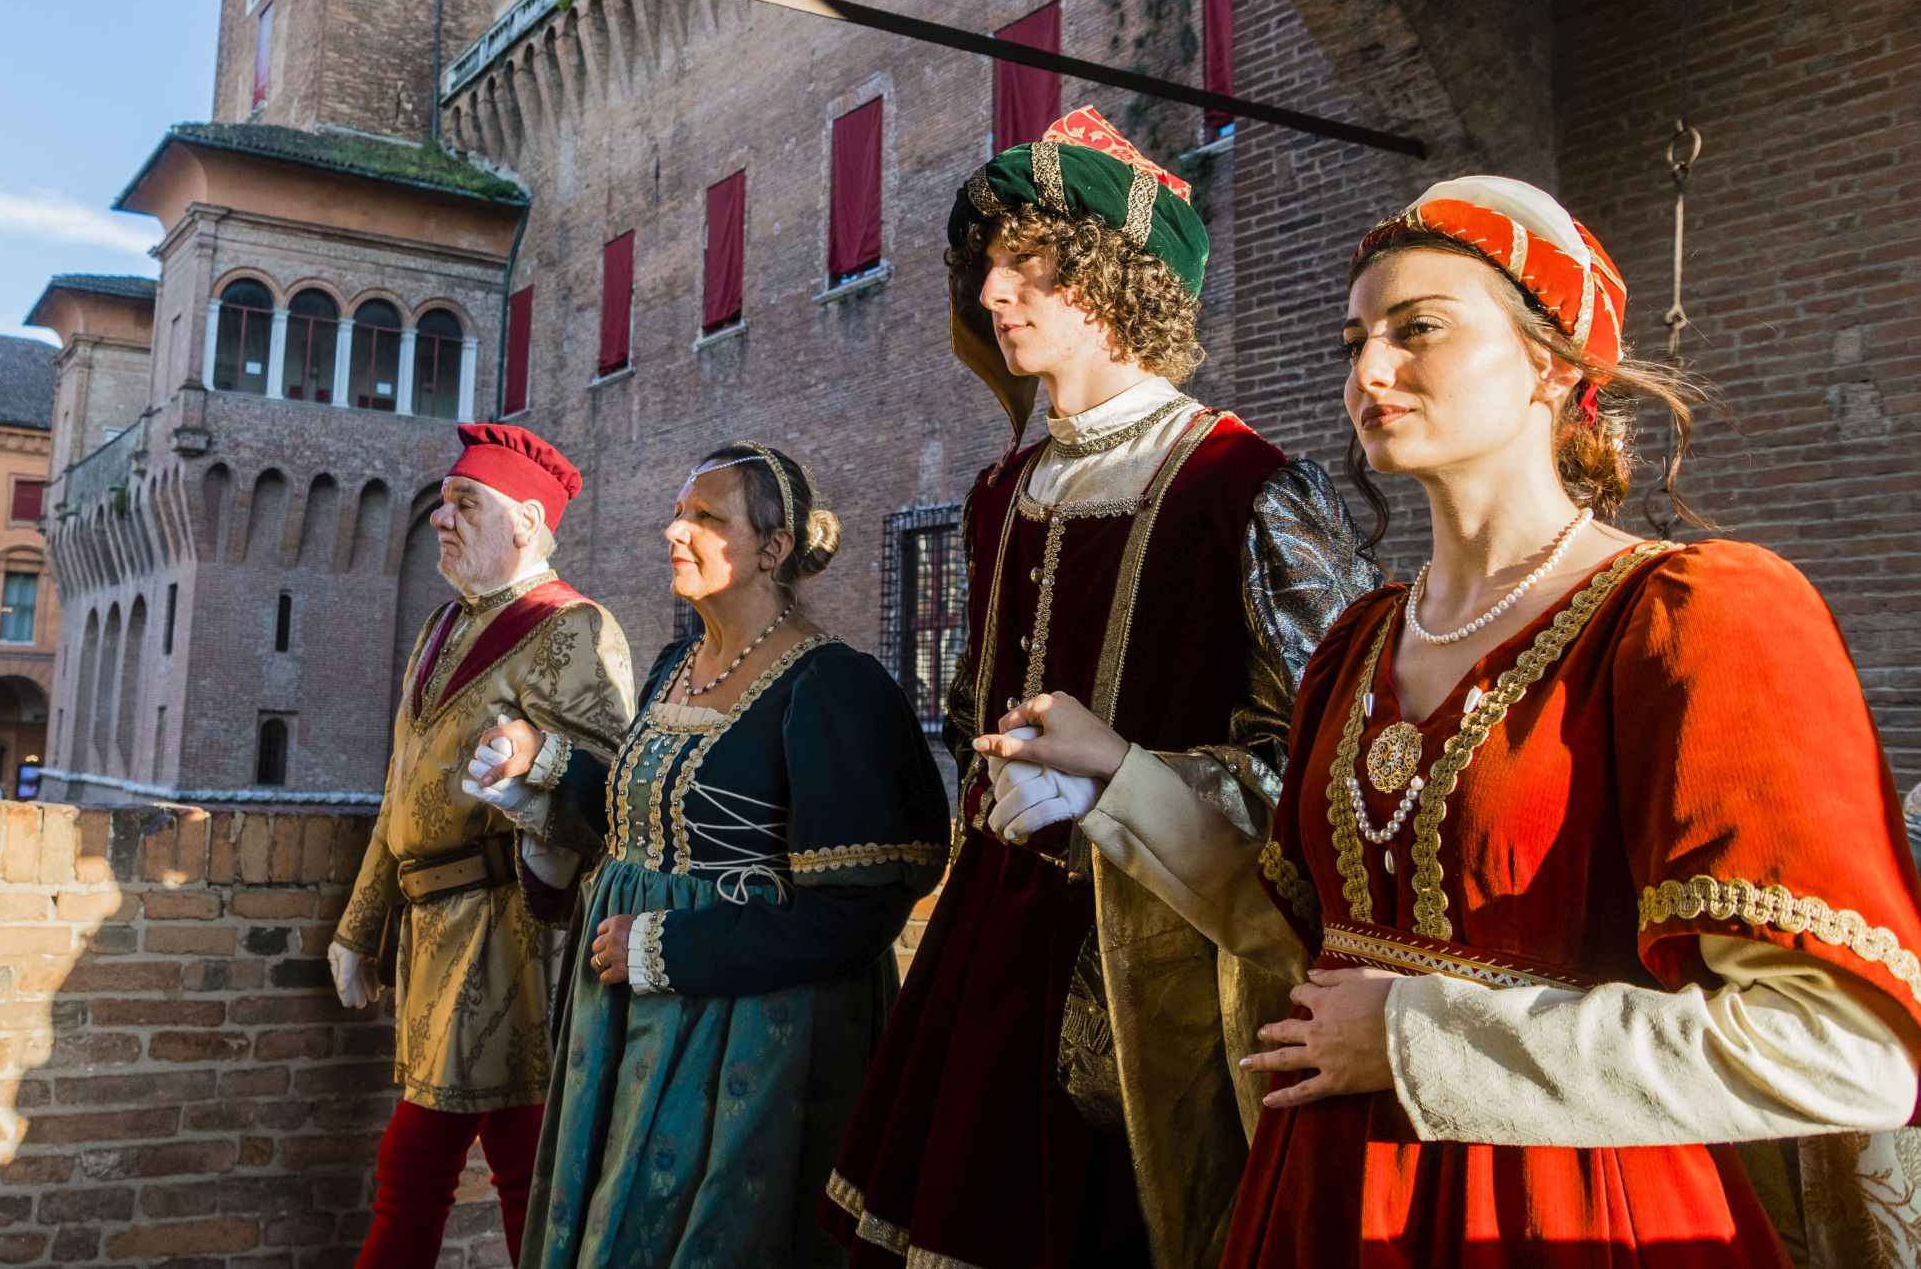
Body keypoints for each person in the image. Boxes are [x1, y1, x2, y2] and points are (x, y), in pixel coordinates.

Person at [987, 175, 1921, 1264]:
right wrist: (1119, 782)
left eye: (1417, 328)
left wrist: (1415, 1034)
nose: (1367, 371)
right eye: (1353, 341)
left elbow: (1845, 1047)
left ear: (1552, 362)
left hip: (1562, 1208)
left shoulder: (1689, 616)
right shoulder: (1358, 641)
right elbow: (1296, 935)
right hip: (1321, 1199)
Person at [822, 104, 1377, 1269]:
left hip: (1160, 969)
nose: (991, 293)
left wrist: (1118, 792)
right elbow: (976, 700)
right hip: (984, 952)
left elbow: (1337, 770)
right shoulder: (998, 492)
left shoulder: (1247, 486)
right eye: (986, 267)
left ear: (1117, 277)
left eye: (1028, 263)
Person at [468, 441, 949, 1267]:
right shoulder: (672, 666)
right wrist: (544, 764)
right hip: (626, 1025)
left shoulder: (832, 687)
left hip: (748, 1042)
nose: (673, 531)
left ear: (774, 547)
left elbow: (857, 912)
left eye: (705, 517)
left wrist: (673, 946)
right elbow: (643, 831)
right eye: (678, 511)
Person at [329, 423, 636, 1269]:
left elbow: (610, 787)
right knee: (520, 1162)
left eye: (466, 502)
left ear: (528, 522)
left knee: (424, 1163)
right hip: (434, 938)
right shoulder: (439, 627)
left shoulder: (574, 627)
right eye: (443, 501)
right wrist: (361, 926)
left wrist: (534, 788)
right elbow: (401, 794)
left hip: (513, 935)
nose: (440, 518)